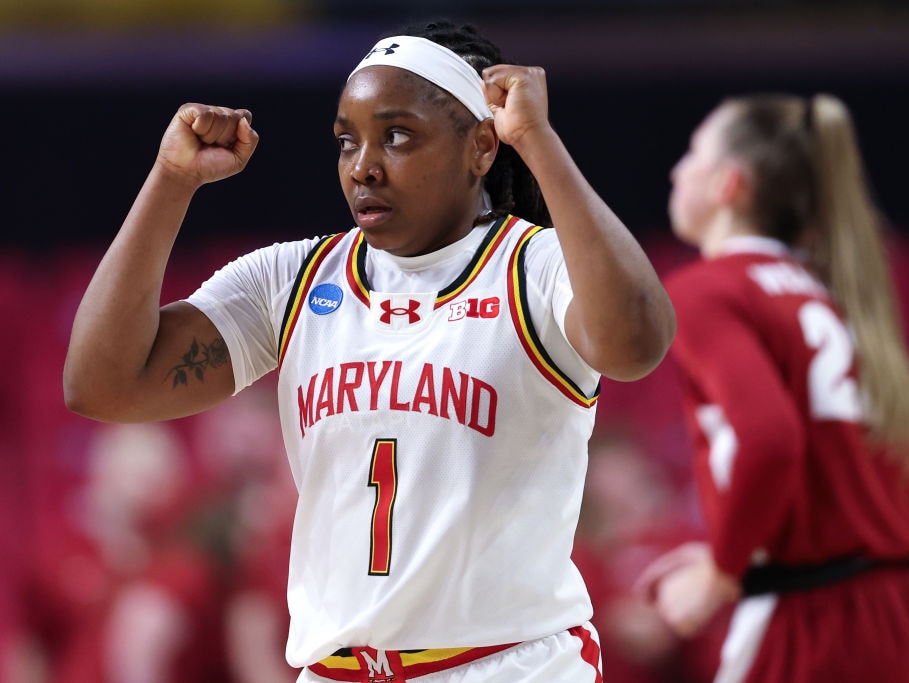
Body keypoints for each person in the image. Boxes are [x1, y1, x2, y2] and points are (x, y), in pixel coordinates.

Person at [63, 19, 675, 683]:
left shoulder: (535, 265)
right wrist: (170, 180)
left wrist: (538, 140)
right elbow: (103, 383)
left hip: (507, 667)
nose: (364, 165)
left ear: (479, 146)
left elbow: (637, 340)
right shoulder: (293, 279)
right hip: (335, 671)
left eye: (398, 136)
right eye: (347, 141)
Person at [635, 93, 909, 682]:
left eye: (692, 154)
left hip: (818, 625)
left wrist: (723, 569)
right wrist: (754, 557)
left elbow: (769, 439)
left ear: (727, 185)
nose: (676, 169)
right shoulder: (834, 293)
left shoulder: (706, 290)